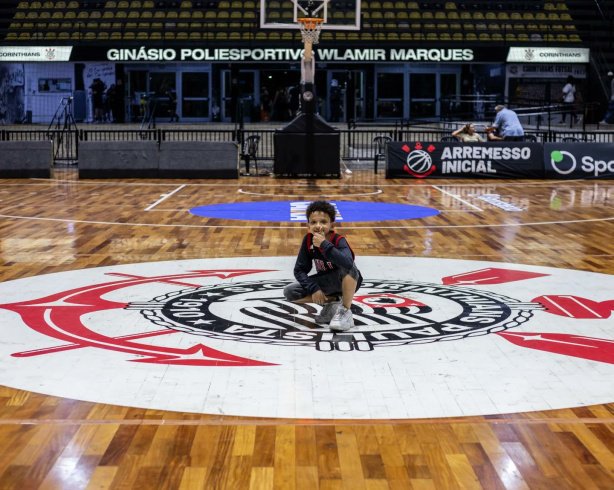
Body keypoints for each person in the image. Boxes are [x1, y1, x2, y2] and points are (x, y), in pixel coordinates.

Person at [283, 200, 363, 332]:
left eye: (323, 222)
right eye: (313, 222)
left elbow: (348, 264)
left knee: (348, 266)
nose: (318, 226)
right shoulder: (308, 240)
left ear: (332, 225)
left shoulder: (339, 240)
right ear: (308, 225)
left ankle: (345, 311)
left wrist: (324, 245)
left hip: (347, 281)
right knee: (290, 292)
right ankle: (333, 302)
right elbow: (299, 270)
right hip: (326, 283)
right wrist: (314, 288)